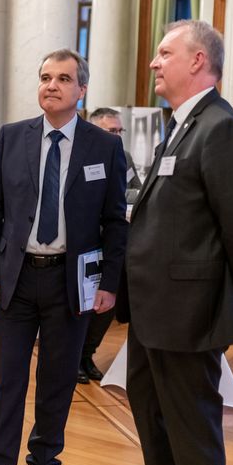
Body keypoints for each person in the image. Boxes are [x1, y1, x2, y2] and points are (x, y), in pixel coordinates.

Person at [111, 20, 233, 465]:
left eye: (164, 53)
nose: (154, 63)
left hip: (190, 310)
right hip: (154, 307)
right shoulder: (181, 127)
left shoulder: (223, 129)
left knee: (192, 425)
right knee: (152, 412)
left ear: (198, 60)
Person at [0, 49, 128, 465]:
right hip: (18, 278)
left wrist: (109, 283)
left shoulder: (104, 147)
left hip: (71, 282)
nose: (51, 85)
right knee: (7, 380)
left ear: (81, 89)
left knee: (57, 380)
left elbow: (115, 222)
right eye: (45, 77)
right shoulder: (12, 137)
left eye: (63, 79)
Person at [77, 106, 142, 384]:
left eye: (119, 130)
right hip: (85, 242)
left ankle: (87, 354)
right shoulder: (81, 153)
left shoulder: (123, 156)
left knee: (106, 305)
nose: (116, 136)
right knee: (83, 304)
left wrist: (115, 195)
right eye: (110, 131)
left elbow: (139, 191)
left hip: (115, 242)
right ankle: (74, 357)